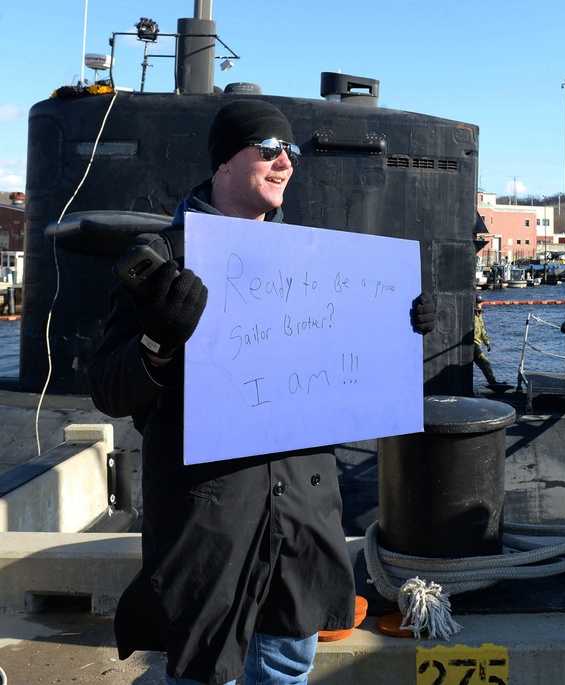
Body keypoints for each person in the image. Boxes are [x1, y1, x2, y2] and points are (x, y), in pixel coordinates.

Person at [89, 99, 434, 685]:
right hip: (210, 522)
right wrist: (158, 343)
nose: (285, 162)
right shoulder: (166, 258)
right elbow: (109, 388)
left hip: (299, 518)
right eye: (268, 149)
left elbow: (342, 374)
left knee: (286, 668)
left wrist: (394, 329)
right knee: (200, 672)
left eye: (291, 151)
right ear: (224, 162)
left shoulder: (319, 264)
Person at [473, 295, 500, 386]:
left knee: (483, 363)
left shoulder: (479, 315)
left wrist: (487, 342)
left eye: (481, 302)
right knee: (485, 362)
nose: (481, 304)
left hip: (477, 343)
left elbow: (482, 331)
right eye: (479, 302)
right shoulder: (471, 315)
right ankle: (492, 382)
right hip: (472, 344)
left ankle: (492, 382)